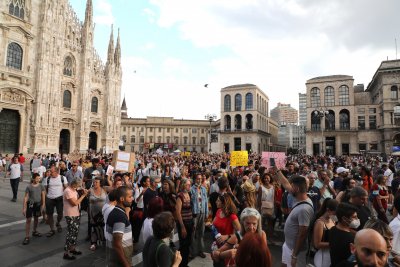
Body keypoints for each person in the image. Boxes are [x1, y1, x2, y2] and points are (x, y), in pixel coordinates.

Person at [272, 169, 314, 267]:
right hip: (289, 245)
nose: (289, 188)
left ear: (297, 189)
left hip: (296, 251)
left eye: (292, 187)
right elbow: (285, 183)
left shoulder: (304, 209)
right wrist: (277, 170)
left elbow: (302, 234)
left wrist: (294, 255)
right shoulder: (298, 197)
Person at [105, 186, 134, 267]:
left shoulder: (117, 212)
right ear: (122, 199)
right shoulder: (119, 216)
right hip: (120, 262)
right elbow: (117, 244)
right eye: (129, 197)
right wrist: (126, 265)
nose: (132, 199)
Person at [63, 178, 88, 260]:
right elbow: (74, 203)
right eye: (77, 185)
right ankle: (66, 253)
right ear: (74, 184)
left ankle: (72, 249)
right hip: (71, 215)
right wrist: (84, 195)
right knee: (70, 233)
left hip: (76, 213)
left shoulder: (74, 189)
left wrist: (82, 190)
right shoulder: (68, 191)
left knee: (75, 233)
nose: (78, 187)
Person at [329, 202, 358, 267]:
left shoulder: (333, 229)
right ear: (344, 219)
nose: (357, 219)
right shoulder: (350, 238)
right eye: (354, 217)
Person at [312, 198, 338, 267]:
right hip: (323, 257)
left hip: (331, 255)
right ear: (328, 210)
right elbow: (317, 244)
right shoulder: (320, 223)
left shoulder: (333, 220)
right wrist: (333, 244)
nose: (336, 216)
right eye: (335, 213)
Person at [43, 166, 68, 236]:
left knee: (60, 214)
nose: (50, 173)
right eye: (49, 171)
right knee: (49, 215)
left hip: (59, 198)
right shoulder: (47, 179)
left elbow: (66, 188)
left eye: (51, 171)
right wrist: (44, 200)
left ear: (57, 172)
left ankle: (58, 222)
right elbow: (44, 190)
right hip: (49, 198)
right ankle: (52, 229)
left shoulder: (62, 178)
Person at [22, 173, 46, 245]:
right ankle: (27, 236)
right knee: (28, 220)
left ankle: (34, 231)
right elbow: (26, 197)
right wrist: (24, 208)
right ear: (33, 178)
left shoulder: (41, 186)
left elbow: (43, 196)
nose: (39, 180)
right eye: (37, 178)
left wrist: (43, 205)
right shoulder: (29, 187)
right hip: (30, 204)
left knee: (36, 218)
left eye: (39, 178)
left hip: (38, 205)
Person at [175, 178, 194, 267]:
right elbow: (178, 213)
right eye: (187, 184)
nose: (189, 186)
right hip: (183, 224)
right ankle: (182, 264)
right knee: (184, 245)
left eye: (189, 184)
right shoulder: (180, 196)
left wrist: (192, 222)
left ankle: (184, 262)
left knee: (188, 244)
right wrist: (182, 227)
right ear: (183, 185)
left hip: (190, 222)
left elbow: (190, 210)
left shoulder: (189, 194)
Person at [190, 173, 208, 259]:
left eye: (200, 179)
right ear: (194, 180)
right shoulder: (191, 189)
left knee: (201, 232)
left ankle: (201, 250)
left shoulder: (204, 189)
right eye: (197, 179)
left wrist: (206, 213)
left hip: (202, 212)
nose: (199, 180)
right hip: (195, 213)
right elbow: (190, 203)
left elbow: (206, 202)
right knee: (193, 233)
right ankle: (192, 252)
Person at [89, 177, 107, 251]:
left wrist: (108, 177)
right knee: (94, 228)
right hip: (93, 212)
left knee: (103, 227)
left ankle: (103, 241)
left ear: (100, 183)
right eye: (94, 182)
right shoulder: (90, 190)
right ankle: (94, 243)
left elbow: (114, 187)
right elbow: (88, 203)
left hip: (103, 212)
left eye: (96, 182)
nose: (94, 183)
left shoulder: (104, 189)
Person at [257, 173, 275, 240]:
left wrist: (275, 207)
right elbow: (259, 198)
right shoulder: (261, 187)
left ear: (270, 179)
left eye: (267, 178)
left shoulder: (273, 187)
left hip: (271, 207)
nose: (266, 179)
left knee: (270, 223)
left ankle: (270, 238)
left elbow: (274, 198)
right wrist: (258, 208)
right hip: (262, 207)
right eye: (265, 178)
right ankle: (262, 238)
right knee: (262, 223)